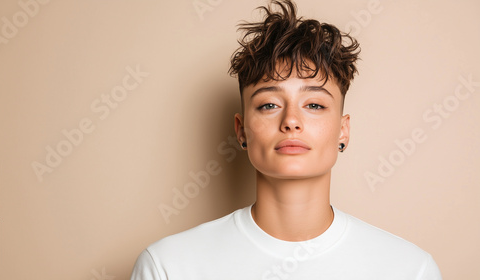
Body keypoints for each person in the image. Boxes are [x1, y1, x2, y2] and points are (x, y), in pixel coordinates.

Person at [130, 0, 442, 279]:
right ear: (241, 131)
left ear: (343, 131)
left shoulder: (409, 269)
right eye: (269, 105)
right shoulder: (168, 266)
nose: (291, 121)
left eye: (315, 105)